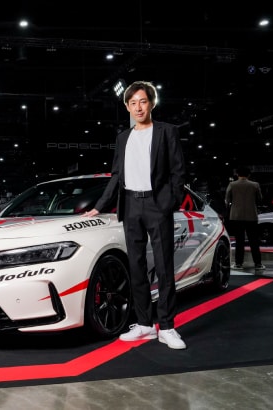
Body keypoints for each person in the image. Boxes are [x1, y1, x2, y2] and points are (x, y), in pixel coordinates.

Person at [82, 81, 187, 350]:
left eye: (143, 101)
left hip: (157, 204)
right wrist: (100, 205)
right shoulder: (123, 138)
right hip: (130, 205)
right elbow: (117, 175)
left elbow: (178, 171)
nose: (138, 107)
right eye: (133, 103)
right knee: (136, 266)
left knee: (163, 267)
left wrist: (170, 202)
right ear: (127, 106)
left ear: (151, 103)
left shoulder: (167, 131)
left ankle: (167, 327)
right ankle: (144, 324)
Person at [225, 166, 264, 271]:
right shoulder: (255, 185)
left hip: (236, 216)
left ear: (237, 174)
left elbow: (227, 200)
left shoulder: (232, 185)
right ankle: (258, 264)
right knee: (254, 241)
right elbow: (260, 199)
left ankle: (238, 264)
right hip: (252, 216)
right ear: (249, 175)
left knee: (239, 241)